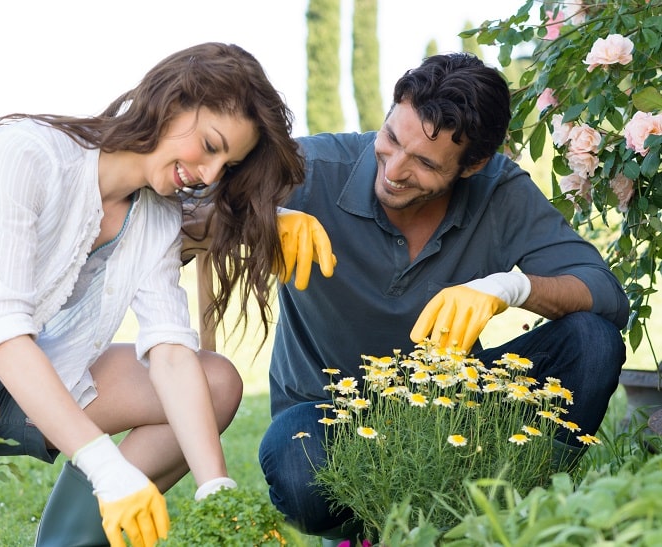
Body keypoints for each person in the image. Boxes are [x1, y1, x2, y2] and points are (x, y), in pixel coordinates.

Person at [0, 42, 311, 546]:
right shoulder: (26, 154)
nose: (211, 174)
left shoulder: (155, 214)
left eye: (227, 165)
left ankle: (67, 541)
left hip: (13, 385)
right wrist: (108, 468)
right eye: (212, 146)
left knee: (212, 380)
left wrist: (216, 488)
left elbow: (171, 352)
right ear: (173, 102)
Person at [256, 52, 629, 545]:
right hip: (329, 413)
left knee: (593, 340)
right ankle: (367, 529)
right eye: (390, 139)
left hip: (453, 409)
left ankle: (508, 509)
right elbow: (190, 199)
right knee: (295, 466)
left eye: (426, 163)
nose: (393, 170)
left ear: (473, 164)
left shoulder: (500, 191)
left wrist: (509, 288)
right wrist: (260, 214)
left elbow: (605, 294)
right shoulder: (313, 167)